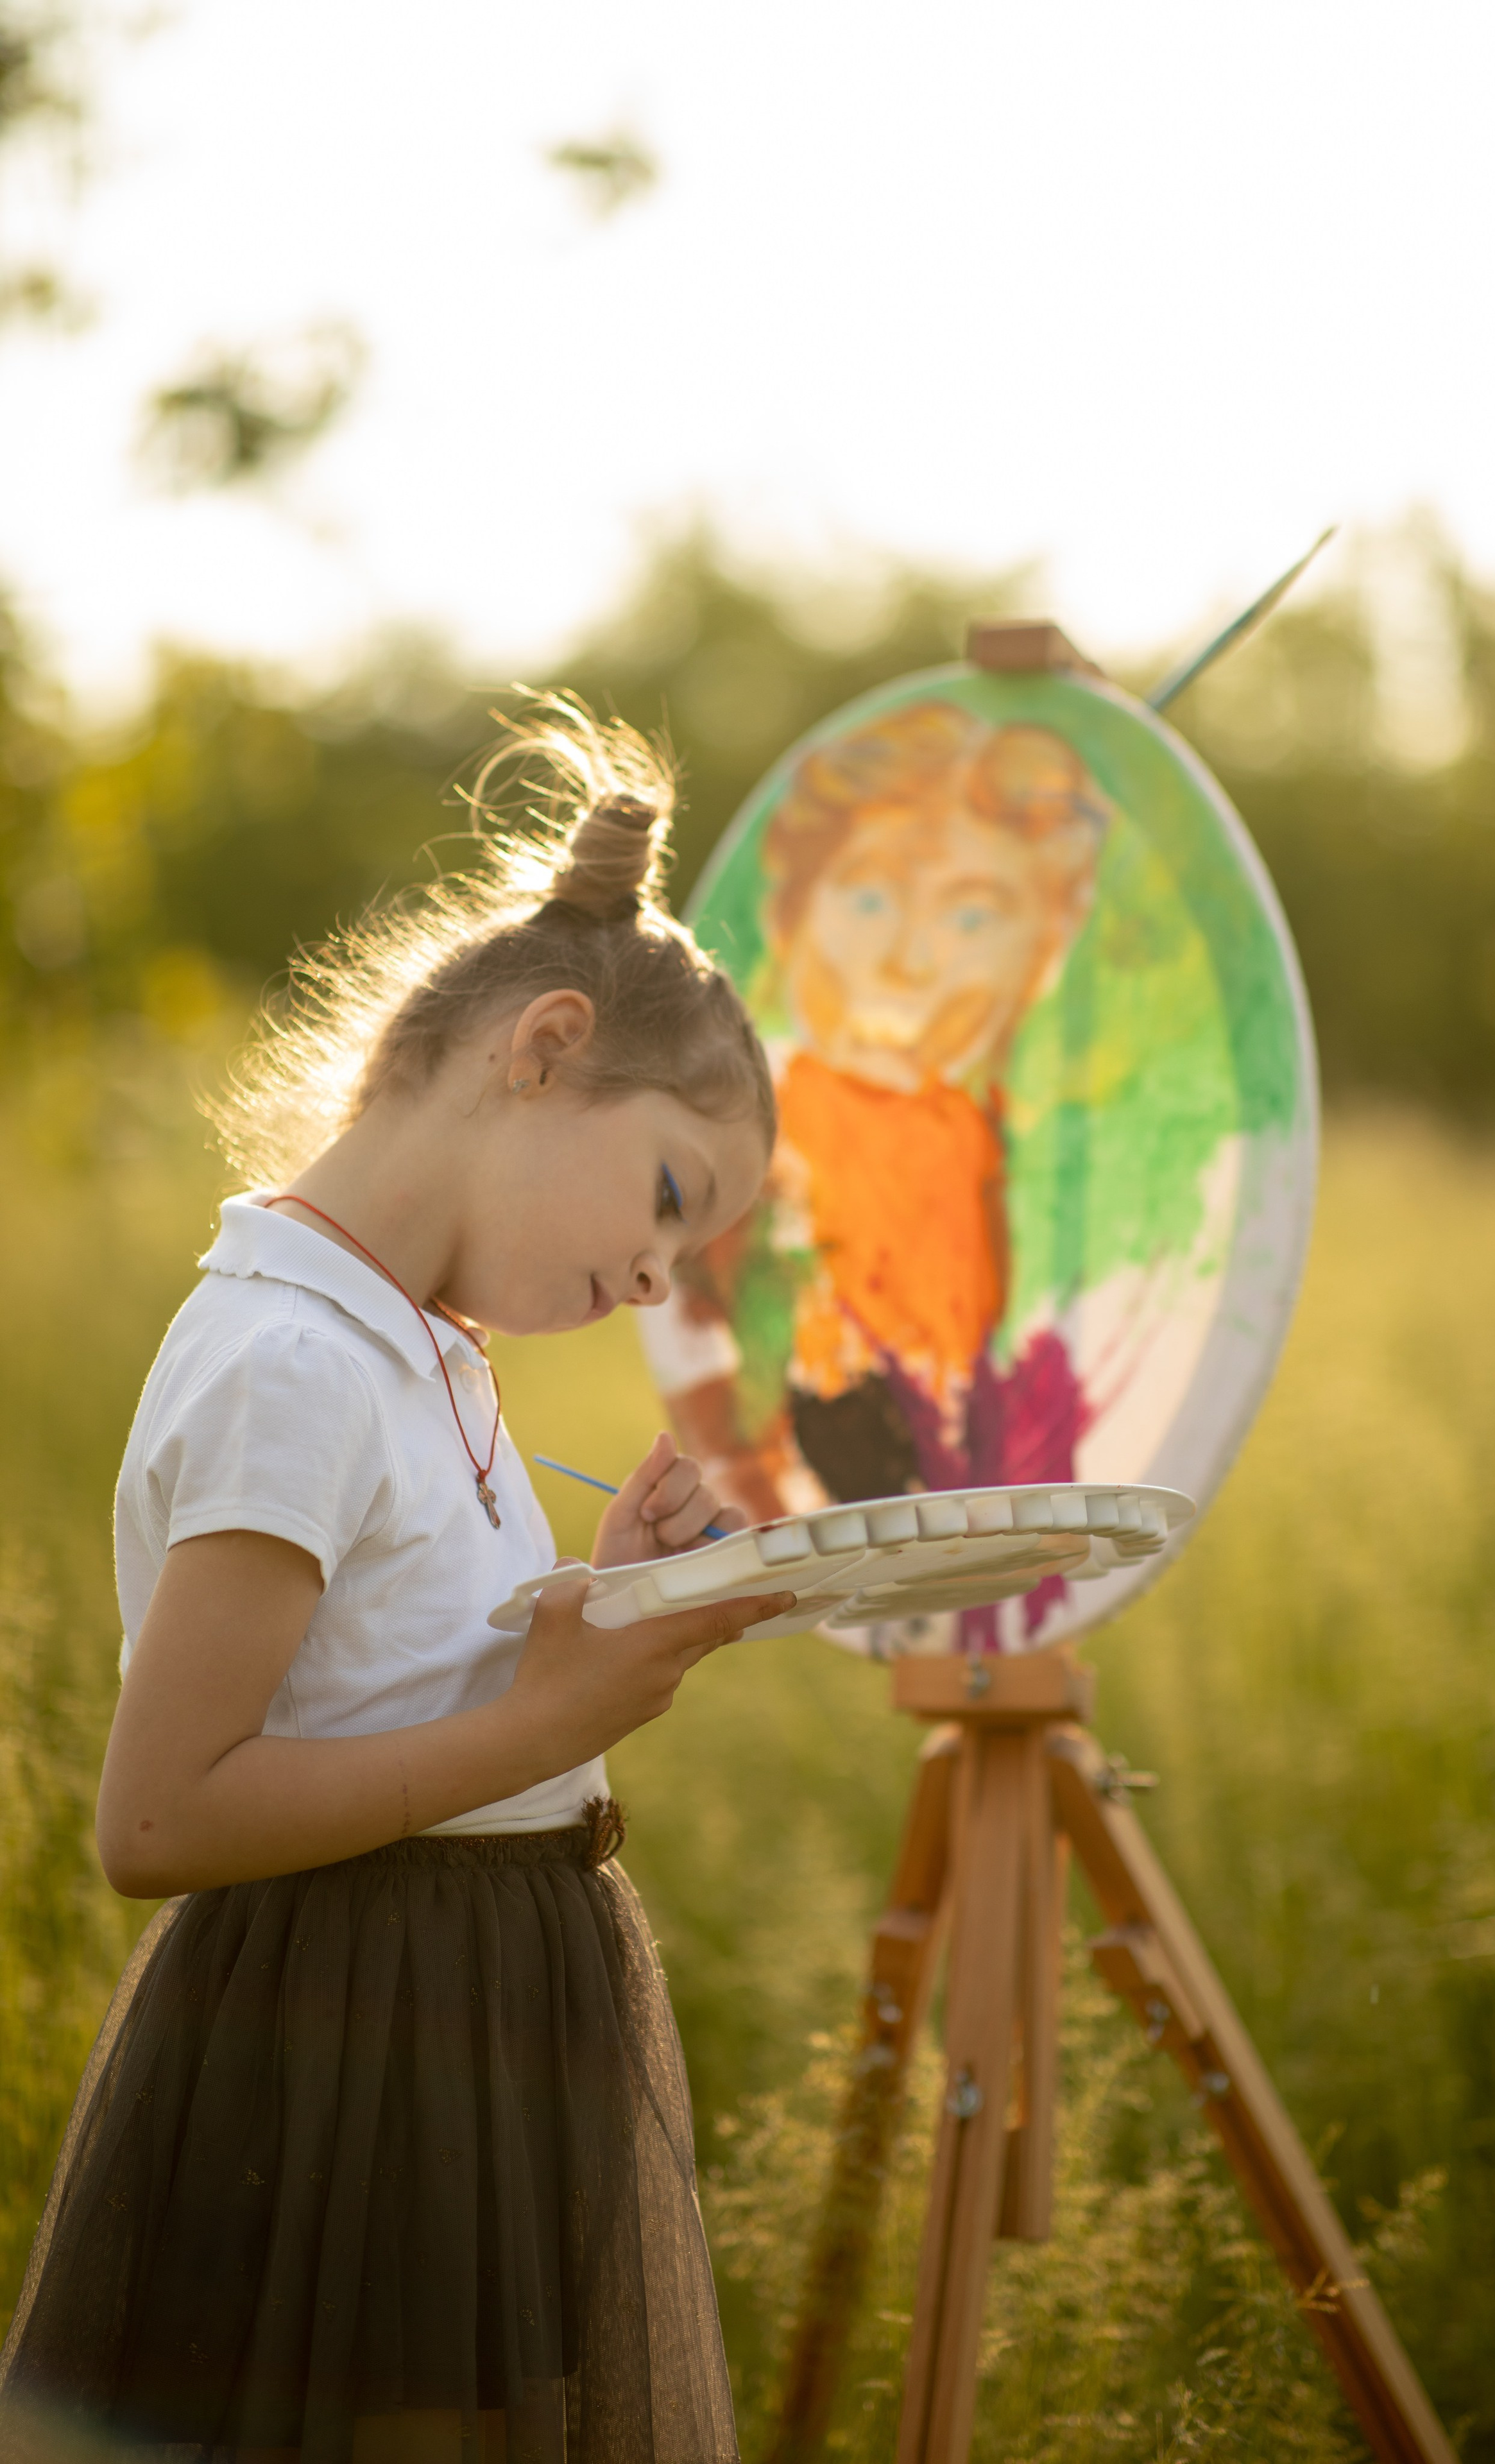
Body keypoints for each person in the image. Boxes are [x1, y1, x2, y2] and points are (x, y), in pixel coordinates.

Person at [0, 701, 794, 2464]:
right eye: (669, 1196)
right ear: (544, 1049)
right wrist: (550, 1724)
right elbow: (164, 1819)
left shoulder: (415, 1345)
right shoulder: (295, 1362)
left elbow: (393, 1674)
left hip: (473, 2032)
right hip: (358, 2057)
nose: (659, 1275)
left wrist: (597, 1606)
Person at [652, 700, 1110, 1644]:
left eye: (974, 912)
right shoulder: (747, 1136)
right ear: (792, 912)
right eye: (868, 897)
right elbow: (725, 1401)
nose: (908, 960)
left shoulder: (1007, 1147)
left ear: (1045, 951)